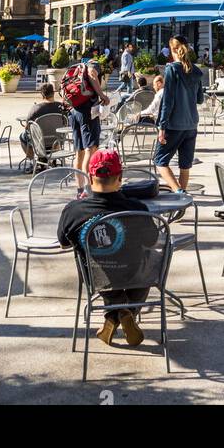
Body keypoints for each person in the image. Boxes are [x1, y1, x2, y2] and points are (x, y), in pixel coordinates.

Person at [57, 148, 152, 349]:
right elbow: (152, 241)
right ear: (121, 177)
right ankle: (126, 313)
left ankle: (114, 314)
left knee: (98, 267)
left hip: (95, 276)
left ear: (90, 177)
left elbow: (63, 243)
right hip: (133, 274)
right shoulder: (137, 209)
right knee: (151, 264)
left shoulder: (73, 210)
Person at [155, 36, 204, 193]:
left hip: (174, 123)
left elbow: (167, 100)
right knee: (185, 165)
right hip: (191, 123)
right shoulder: (196, 71)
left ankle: (179, 192)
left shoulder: (172, 69)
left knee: (160, 161)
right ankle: (181, 202)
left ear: (173, 50)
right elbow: (200, 99)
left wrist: (162, 126)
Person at [67, 57, 110, 175]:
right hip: (87, 112)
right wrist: (102, 95)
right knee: (90, 149)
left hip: (74, 111)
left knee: (79, 151)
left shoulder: (78, 68)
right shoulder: (93, 65)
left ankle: (80, 187)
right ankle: (87, 186)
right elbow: (92, 73)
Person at [19, 82, 67, 161]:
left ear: (42, 95)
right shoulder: (61, 107)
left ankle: (32, 161)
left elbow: (27, 127)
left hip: (39, 140)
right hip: (57, 139)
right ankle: (53, 158)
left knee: (23, 136)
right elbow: (66, 123)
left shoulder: (36, 108)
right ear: (53, 93)